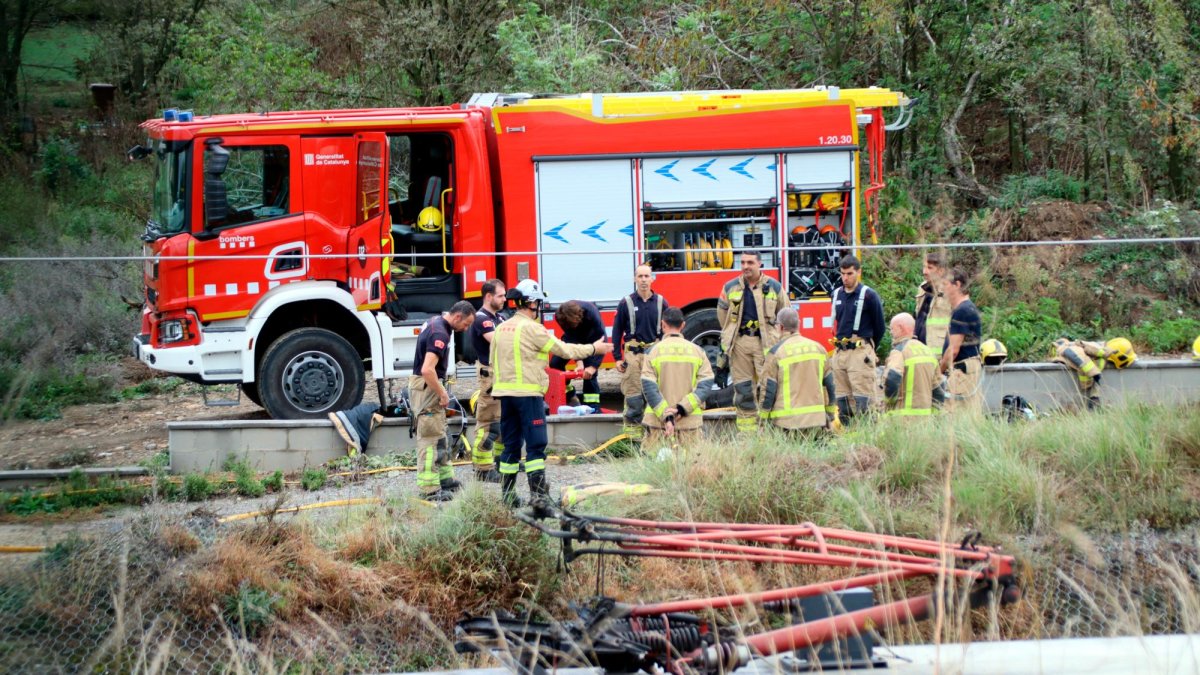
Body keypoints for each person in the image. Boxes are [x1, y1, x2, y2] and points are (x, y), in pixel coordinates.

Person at [492, 279, 613, 508]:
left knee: (511, 446)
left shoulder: (501, 329)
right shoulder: (532, 328)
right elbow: (563, 349)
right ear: (531, 303)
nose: (539, 307)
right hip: (528, 395)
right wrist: (594, 349)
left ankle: (507, 498)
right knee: (536, 445)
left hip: (505, 396)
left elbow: (493, 362)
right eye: (538, 303)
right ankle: (539, 497)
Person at [410, 301, 477, 501]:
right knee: (430, 439)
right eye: (466, 324)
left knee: (440, 435)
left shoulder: (437, 322)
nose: (466, 329)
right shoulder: (440, 333)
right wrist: (442, 393)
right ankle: (429, 490)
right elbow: (427, 370)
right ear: (457, 317)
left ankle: (445, 480)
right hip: (427, 387)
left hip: (428, 386)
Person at [716, 251, 785, 433]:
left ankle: (768, 430)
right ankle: (747, 434)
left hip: (766, 345)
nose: (745, 266)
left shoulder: (774, 287)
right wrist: (730, 335)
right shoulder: (730, 287)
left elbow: (785, 313)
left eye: (750, 263)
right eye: (743, 262)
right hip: (740, 344)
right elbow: (722, 315)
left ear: (760, 264)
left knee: (768, 389)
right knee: (743, 389)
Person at [640, 307, 714, 450]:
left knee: (655, 461)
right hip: (689, 424)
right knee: (692, 462)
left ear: (663, 324)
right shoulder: (698, 352)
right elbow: (705, 386)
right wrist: (681, 409)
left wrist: (667, 416)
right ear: (683, 325)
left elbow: (649, 388)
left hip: (658, 425)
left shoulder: (652, 352)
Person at [613, 263, 669, 438]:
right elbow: (616, 331)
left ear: (652, 279)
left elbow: (669, 330)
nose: (644, 280)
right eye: (640, 276)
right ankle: (633, 440)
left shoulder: (661, 302)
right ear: (634, 279)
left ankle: (655, 436)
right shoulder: (626, 303)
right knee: (634, 396)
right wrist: (617, 357)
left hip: (654, 355)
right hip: (633, 356)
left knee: (656, 395)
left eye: (647, 276)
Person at [760, 307, 837, 435]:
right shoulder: (819, 348)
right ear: (799, 324)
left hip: (787, 424)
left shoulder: (776, 353)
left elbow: (768, 390)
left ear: (780, 327)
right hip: (817, 423)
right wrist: (829, 414)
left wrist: (763, 421)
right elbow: (831, 385)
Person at [829, 254, 885, 423]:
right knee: (843, 402)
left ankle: (868, 435)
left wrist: (869, 349)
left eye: (849, 274)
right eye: (842, 274)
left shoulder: (869, 295)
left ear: (858, 272)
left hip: (860, 352)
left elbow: (880, 327)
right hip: (840, 352)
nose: (845, 278)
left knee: (863, 401)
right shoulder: (836, 294)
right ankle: (849, 433)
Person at [466, 279, 506, 483]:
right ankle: (483, 469)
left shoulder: (498, 317)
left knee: (501, 422)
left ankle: (500, 461)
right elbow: (501, 342)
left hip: (500, 375)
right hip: (490, 377)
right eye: (500, 295)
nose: (504, 299)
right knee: (488, 423)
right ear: (488, 296)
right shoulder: (482, 319)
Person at [938, 268, 983, 414]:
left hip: (962, 372)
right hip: (968, 369)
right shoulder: (966, 308)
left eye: (945, 284)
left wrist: (939, 371)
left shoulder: (962, 311)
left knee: (952, 413)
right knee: (968, 413)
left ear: (957, 285)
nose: (942, 289)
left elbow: (953, 350)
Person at [882, 313, 945, 416]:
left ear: (901, 328)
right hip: (925, 419)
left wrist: (889, 403)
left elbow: (893, 377)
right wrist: (935, 415)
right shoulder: (928, 351)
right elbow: (939, 388)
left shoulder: (899, 351)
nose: (891, 333)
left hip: (903, 418)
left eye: (892, 329)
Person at [1051, 336, 1137, 409]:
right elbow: (1072, 353)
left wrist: (1095, 397)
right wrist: (1093, 372)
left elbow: (1097, 374)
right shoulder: (1093, 350)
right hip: (1061, 352)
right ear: (1120, 357)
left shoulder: (1100, 358)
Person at [552, 299, 606, 412]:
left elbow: (603, 341)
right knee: (555, 364)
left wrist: (593, 367)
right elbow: (571, 338)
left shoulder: (591, 314)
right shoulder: (560, 317)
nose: (574, 326)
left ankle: (593, 408)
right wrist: (579, 362)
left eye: (575, 324)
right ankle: (570, 395)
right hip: (572, 338)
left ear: (579, 317)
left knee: (589, 373)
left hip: (592, 339)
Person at [914, 254, 952, 357]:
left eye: (930, 268)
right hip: (919, 351)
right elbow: (918, 317)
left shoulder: (950, 291)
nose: (924, 272)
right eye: (924, 267)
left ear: (941, 271)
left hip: (939, 354)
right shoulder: (922, 288)